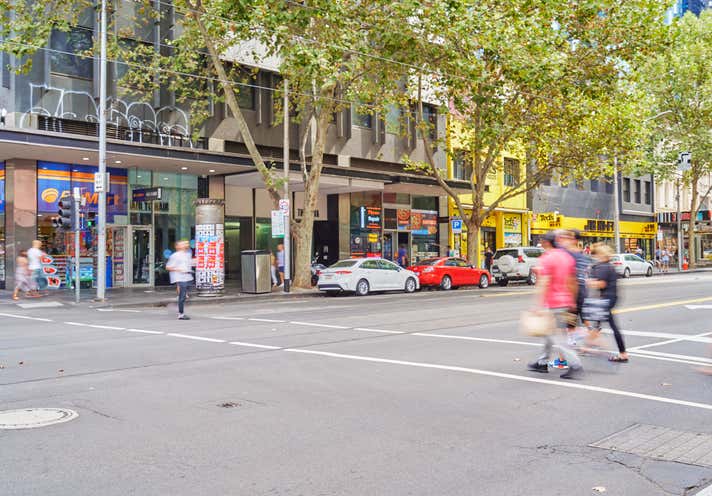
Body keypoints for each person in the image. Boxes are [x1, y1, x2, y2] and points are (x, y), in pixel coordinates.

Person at [528, 230, 583, 379]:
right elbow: (572, 280)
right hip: (565, 300)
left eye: (542, 242)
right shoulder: (566, 257)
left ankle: (575, 364)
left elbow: (544, 283)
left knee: (557, 337)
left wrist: (538, 305)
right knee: (548, 333)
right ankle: (542, 362)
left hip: (553, 302)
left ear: (546, 243)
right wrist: (572, 300)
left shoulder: (547, 258)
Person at [585, 243, 628, 362]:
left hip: (606, 300)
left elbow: (601, 284)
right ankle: (587, 347)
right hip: (610, 298)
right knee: (598, 323)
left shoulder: (603, 267)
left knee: (610, 325)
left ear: (601, 255)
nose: (596, 256)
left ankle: (623, 353)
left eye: (597, 254)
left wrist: (589, 282)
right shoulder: (609, 266)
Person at [556, 229, 591, 366]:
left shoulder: (569, 254)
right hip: (581, 292)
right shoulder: (581, 255)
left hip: (572, 293)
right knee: (569, 326)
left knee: (561, 328)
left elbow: (570, 277)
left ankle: (562, 360)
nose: (565, 239)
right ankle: (588, 338)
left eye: (568, 237)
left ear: (574, 239)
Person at [166, 240, 194, 320]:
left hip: (188, 277)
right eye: (183, 243)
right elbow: (168, 267)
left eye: (186, 243)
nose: (186, 244)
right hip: (180, 277)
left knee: (185, 295)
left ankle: (178, 303)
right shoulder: (175, 256)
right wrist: (179, 270)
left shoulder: (188, 254)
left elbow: (189, 264)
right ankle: (181, 314)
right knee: (182, 296)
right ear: (177, 246)